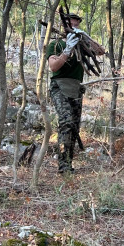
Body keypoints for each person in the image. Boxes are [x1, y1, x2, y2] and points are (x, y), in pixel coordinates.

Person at [46, 13, 85, 173]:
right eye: (71, 25)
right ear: (64, 27)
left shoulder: (82, 45)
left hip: (76, 88)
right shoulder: (55, 45)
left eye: (77, 25)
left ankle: (69, 162)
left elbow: (101, 51)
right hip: (60, 87)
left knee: (74, 126)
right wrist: (67, 50)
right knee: (66, 122)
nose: (74, 28)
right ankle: (63, 165)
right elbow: (53, 67)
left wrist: (85, 38)